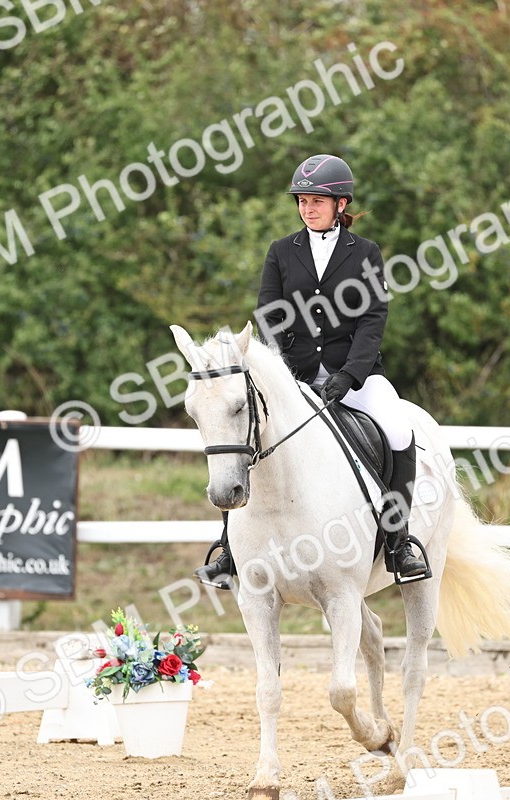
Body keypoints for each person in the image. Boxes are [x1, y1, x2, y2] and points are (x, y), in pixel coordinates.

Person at [195, 153, 429, 590]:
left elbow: (373, 318)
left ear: (341, 204)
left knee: (398, 430)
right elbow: (269, 315)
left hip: (355, 374)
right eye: (302, 200)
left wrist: (350, 374)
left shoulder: (366, 253)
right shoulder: (282, 251)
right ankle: (229, 548)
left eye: (317, 200)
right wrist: (285, 371)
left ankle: (398, 542)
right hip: (294, 376)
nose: (308, 208)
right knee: (244, 431)